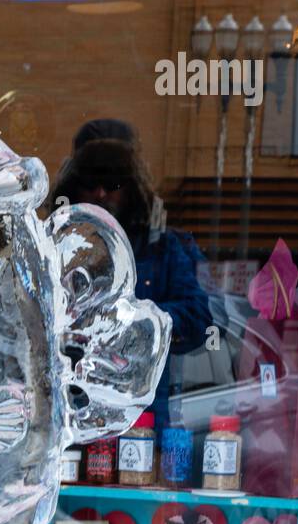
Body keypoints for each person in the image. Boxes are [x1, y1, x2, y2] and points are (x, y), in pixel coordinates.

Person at [50, 120, 212, 426]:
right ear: (73, 185)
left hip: (138, 422)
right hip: (64, 418)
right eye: (90, 181)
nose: (100, 193)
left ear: (131, 187)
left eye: (113, 183)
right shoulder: (50, 246)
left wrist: (130, 320)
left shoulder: (162, 247)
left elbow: (200, 320)